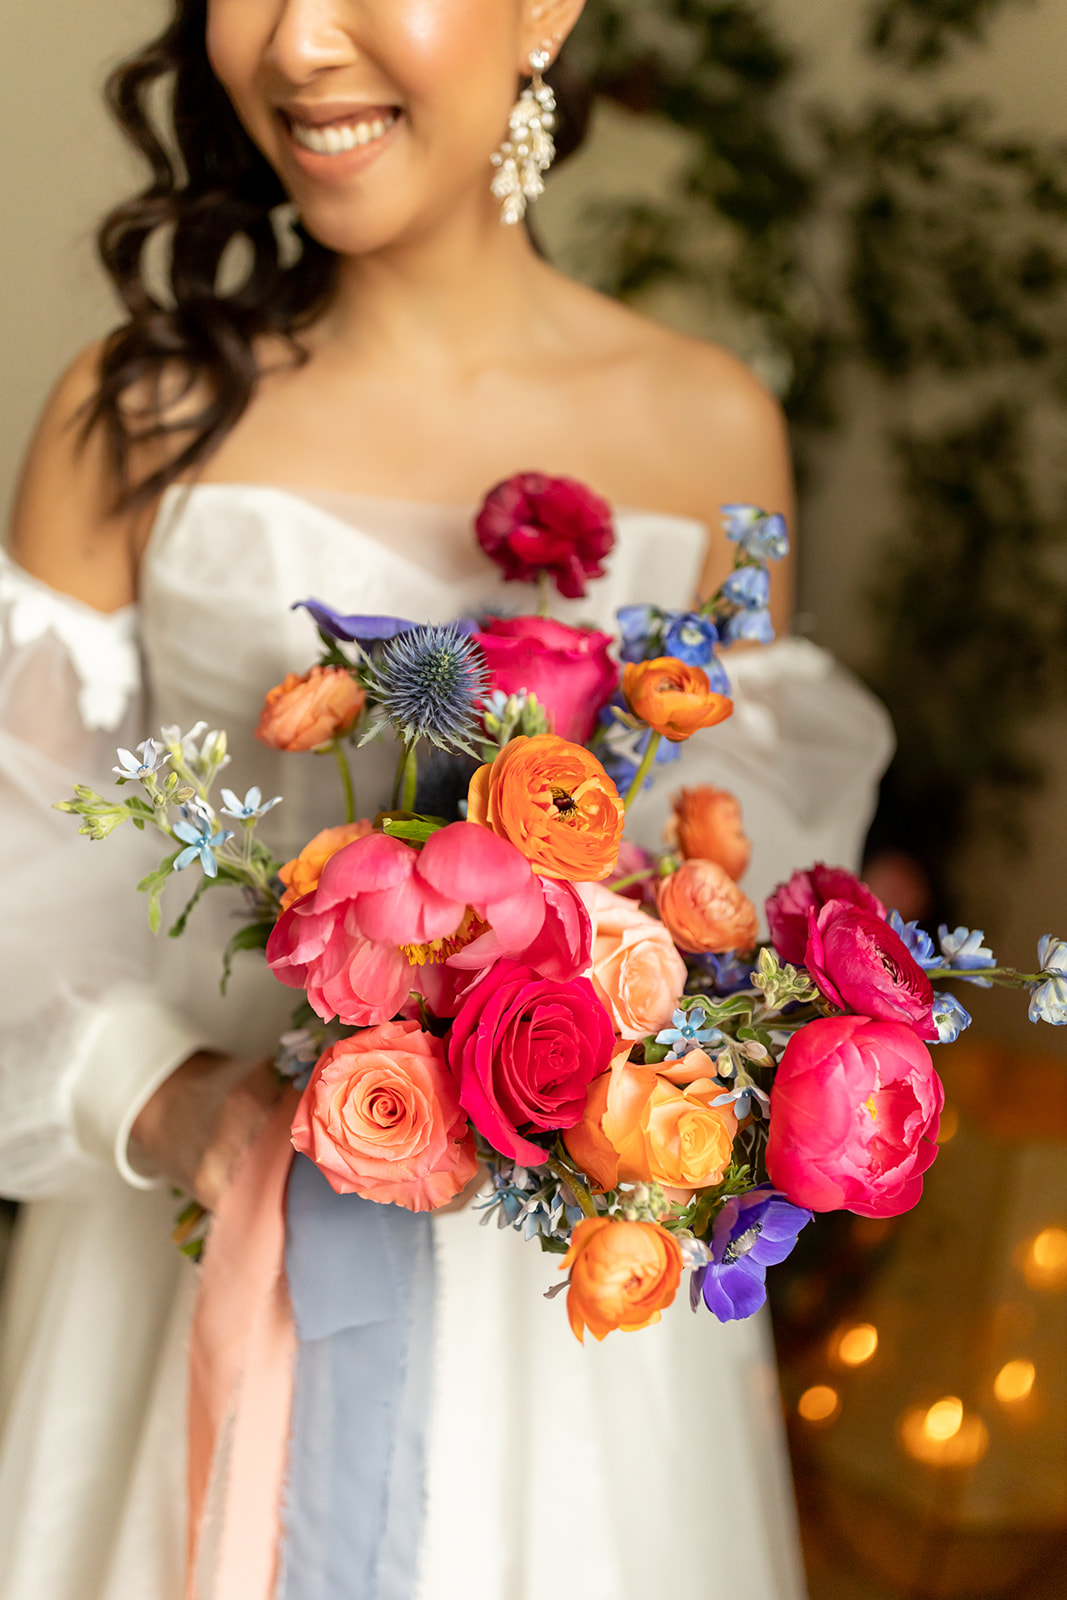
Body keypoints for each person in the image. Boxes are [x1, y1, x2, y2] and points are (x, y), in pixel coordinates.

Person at [0, 1, 893, 1596]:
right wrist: (177, 1101)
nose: (295, 46)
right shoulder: (130, 411)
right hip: (191, 1250)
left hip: (568, 1347)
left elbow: (734, 884)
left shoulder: (708, 430)